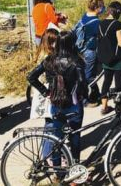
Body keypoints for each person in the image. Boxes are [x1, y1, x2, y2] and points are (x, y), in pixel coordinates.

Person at [27, 30, 86, 162]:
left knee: (56, 138)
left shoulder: (49, 60)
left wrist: (45, 92)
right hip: (73, 104)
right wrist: (84, 95)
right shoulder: (76, 61)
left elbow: (31, 76)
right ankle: (74, 170)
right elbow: (82, 83)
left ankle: (57, 171)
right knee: (75, 137)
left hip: (55, 103)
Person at [98, 1, 121, 115]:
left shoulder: (100, 23)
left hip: (106, 58)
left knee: (106, 82)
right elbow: (120, 43)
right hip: (117, 60)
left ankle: (104, 107)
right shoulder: (117, 24)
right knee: (119, 85)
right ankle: (119, 109)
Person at [74, 0, 104, 105]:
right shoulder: (96, 22)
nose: (103, 9)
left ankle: (96, 94)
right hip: (90, 51)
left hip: (81, 49)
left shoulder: (85, 16)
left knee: (89, 73)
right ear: (97, 8)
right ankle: (86, 98)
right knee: (89, 76)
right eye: (101, 7)